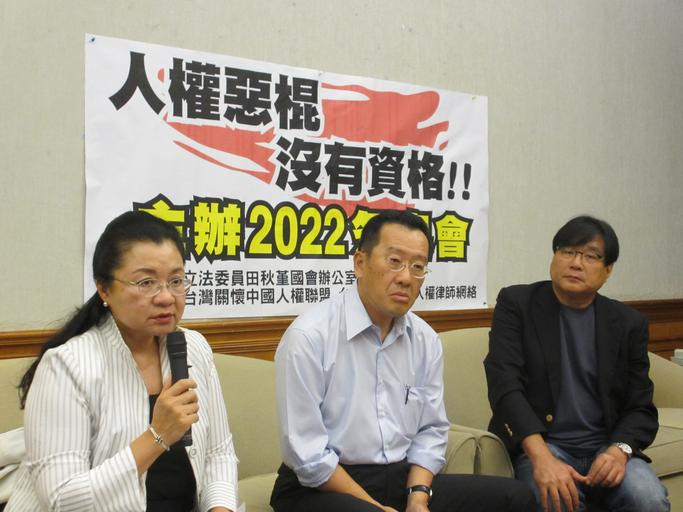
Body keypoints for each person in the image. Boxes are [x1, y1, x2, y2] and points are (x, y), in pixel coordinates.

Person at [270, 210, 536, 512]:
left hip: (400, 479)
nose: (406, 278)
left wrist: (418, 498)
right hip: (319, 488)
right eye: (394, 261)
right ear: (360, 263)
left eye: (418, 266)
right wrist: (375, 507)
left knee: (515, 498)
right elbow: (308, 456)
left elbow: (431, 430)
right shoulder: (309, 337)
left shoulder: (424, 339)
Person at [6, 211, 238, 512]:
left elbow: (219, 454)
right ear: (104, 288)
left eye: (176, 280)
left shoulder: (194, 347)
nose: (166, 297)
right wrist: (157, 436)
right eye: (146, 282)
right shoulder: (66, 365)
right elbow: (62, 500)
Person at [484, 215, 670, 512]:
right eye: (568, 251)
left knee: (649, 500)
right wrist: (541, 457)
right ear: (554, 256)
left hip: (605, 447)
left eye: (590, 256)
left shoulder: (627, 323)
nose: (576, 263)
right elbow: (504, 385)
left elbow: (640, 407)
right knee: (556, 500)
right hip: (545, 445)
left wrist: (619, 451)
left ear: (608, 270)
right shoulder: (517, 304)